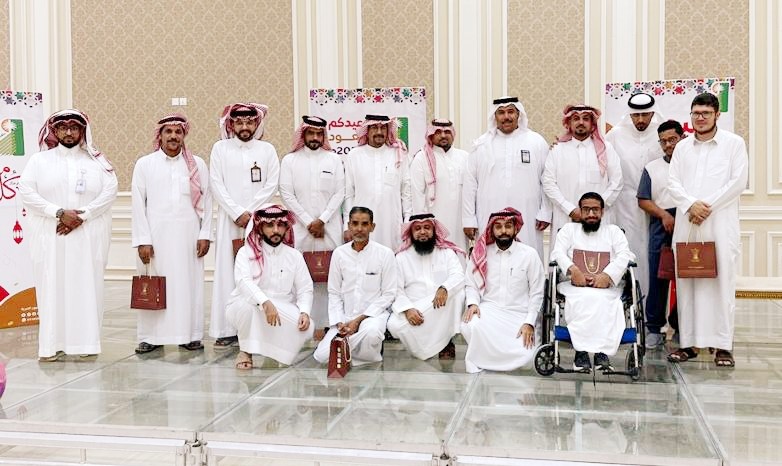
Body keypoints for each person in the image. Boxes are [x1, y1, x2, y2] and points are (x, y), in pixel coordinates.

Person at [19, 109, 118, 361]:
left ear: (82, 131)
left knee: (87, 287)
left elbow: (110, 191)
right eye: (63, 128)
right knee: (51, 287)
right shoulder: (39, 161)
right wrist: (59, 212)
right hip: (51, 236)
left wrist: (83, 216)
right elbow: (26, 192)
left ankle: (86, 343)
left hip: (88, 235)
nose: (69, 132)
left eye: (74, 127)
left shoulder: (97, 162)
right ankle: (51, 346)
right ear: (55, 131)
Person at [666, 93, 748, 367]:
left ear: (717, 115)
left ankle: (723, 346)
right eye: (696, 113)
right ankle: (688, 344)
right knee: (688, 284)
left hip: (720, 224)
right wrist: (691, 205)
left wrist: (705, 206)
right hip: (688, 223)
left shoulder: (734, 144)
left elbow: (738, 182)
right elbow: (673, 182)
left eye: (706, 113)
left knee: (721, 283)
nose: (700, 118)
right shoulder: (682, 147)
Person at [131, 113, 213, 354]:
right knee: (154, 284)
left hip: (189, 236)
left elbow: (208, 201)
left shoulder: (197, 165)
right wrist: (143, 240)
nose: (173, 136)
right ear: (160, 135)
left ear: (184, 135)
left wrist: (205, 234)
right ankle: (151, 337)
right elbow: (138, 204)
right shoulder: (145, 164)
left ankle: (190, 335)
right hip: (155, 237)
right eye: (168, 131)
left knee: (188, 285)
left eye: (178, 132)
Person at [209, 103, 279, 350]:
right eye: (239, 122)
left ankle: (259, 326)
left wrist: (252, 212)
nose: (245, 126)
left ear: (256, 124)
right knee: (227, 272)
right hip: (230, 221)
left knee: (258, 272)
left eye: (249, 122)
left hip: (260, 222)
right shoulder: (220, 149)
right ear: (231, 124)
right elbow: (216, 183)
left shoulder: (267, 150)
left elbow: (272, 183)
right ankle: (226, 329)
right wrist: (237, 212)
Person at [549, 192, 635, 372]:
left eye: (595, 210)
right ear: (580, 211)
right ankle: (580, 352)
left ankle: (601, 353)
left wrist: (607, 275)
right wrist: (573, 270)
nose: (590, 214)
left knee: (605, 302)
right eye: (586, 209)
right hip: (574, 286)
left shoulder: (613, 232)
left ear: (602, 211)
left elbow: (626, 255)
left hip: (606, 287)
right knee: (581, 300)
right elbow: (557, 253)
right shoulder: (568, 230)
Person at [279, 116, 345, 336]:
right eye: (311, 133)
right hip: (300, 228)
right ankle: (303, 320)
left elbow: (340, 192)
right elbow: (286, 193)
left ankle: (329, 323)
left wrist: (322, 220)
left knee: (331, 275)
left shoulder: (333, 159)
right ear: (303, 134)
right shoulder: (290, 161)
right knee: (301, 274)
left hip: (330, 226)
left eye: (319, 133)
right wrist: (309, 221)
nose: (315, 137)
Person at [225, 205, 313, 369]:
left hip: (281, 308)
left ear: (287, 228)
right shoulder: (245, 253)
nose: (276, 230)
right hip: (251, 305)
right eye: (270, 225)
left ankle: (272, 351)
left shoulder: (294, 256)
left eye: (280, 225)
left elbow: (305, 288)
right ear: (260, 228)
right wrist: (265, 302)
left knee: (308, 328)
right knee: (247, 308)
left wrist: (304, 312)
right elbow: (244, 282)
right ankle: (245, 351)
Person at [462, 97, 551, 259]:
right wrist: (469, 219)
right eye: (501, 113)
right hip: (488, 212)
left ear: (519, 114)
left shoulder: (536, 142)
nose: (506, 117)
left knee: (528, 257)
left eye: (511, 112)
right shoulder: (480, 145)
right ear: (494, 116)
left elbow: (546, 180)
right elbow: (470, 184)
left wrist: (545, 212)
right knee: (490, 258)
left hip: (528, 213)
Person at [461, 207, 546, 373]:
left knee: (527, 358)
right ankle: (481, 360)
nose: (503, 231)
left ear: (515, 229)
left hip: (519, 314)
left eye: (508, 226)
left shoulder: (529, 254)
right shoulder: (481, 253)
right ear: (492, 230)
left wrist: (529, 322)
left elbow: (537, 292)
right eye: (498, 226)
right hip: (490, 311)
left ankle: (488, 359)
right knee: (470, 325)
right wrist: (473, 303)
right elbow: (471, 284)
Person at [313, 207, 397, 365]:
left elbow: (389, 294)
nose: (359, 229)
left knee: (372, 334)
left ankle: (355, 350)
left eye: (365, 224)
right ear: (349, 226)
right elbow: (334, 292)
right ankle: (357, 350)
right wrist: (339, 322)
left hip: (372, 317)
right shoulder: (339, 253)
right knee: (322, 357)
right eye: (355, 223)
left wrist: (358, 320)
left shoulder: (385, 254)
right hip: (345, 318)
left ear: (372, 227)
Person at [606, 92, 665, 299]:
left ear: (653, 113)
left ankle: (653, 310)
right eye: (635, 115)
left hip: (657, 205)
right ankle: (630, 305)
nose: (640, 120)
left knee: (654, 255)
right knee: (629, 252)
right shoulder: (615, 135)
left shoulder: (662, 133)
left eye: (645, 115)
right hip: (624, 205)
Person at [542, 104, 623, 248]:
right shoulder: (557, 150)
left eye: (585, 119)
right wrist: (570, 209)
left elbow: (617, 181)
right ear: (569, 123)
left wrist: (595, 208)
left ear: (592, 124)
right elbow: (548, 183)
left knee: (599, 256)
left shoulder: (606, 149)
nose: (581, 122)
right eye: (576, 119)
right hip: (566, 217)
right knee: (564, 257)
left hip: (599, 218)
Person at [388, 213, 465, 360]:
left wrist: (445, 287)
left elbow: (458, 275)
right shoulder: (401, 257)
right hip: (415, 306)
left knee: (459, 294)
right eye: (417, 228)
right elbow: (396, 289)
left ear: (434, 230)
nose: (423, 232)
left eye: (427, 228)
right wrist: (407, 309)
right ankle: (422, 350)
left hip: (441, 305)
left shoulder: (447, 253)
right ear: (411, 232)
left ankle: (446, 341)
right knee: (394, 325)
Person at [637, 119, 685, 348]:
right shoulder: (652, 168)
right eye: (663, 141)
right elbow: (643, 199)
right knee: (658, 277)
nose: (668, 145)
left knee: (689, 277)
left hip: (689, 222)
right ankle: (654, 328)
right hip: (661, 224)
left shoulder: (693, 165)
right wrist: (664, 216)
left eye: (672, 139)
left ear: (682, 138)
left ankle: (682, 325)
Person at [343, 115, 411, 251]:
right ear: (367, 131)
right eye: (374, 127)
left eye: (383, 128)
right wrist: (347, 226)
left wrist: (407, 224)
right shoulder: (354, 155)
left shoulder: (399, 154)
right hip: (361, 225)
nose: (379, 132)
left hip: (392, 224)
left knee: (392, 257)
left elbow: (406, 192)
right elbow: (349, 194)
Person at [409, 119, 469, 253]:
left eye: (447, 132)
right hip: (433, 223)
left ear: (453, 134)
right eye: (438, 132)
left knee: (460, 256)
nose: (443, 135)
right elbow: (416, 195)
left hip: (460, 223)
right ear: (431, 134)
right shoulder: (421, 158)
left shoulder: (465, 157)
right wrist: (422, 226)